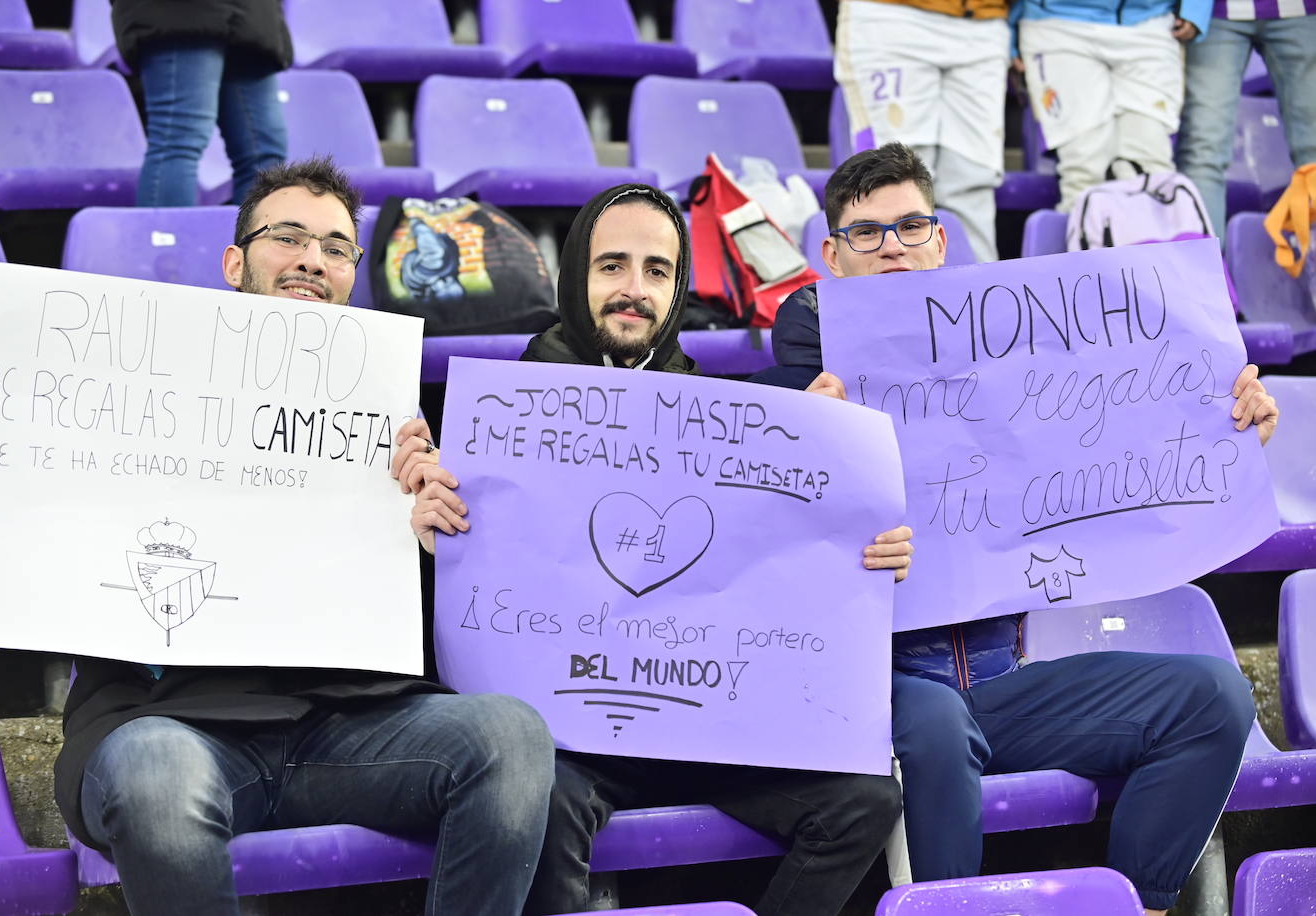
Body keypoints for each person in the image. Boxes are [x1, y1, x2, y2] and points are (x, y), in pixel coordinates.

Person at [764, 142, 1276, 915]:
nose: (893, 246)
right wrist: (812, 432)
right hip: (883, 694)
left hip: (1009, 688)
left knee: (1214, 695)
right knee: (936, 724)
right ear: (832, 258)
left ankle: (1137, 904)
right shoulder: (795, 380)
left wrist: (1222, 420)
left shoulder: (1014, 343)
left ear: (941, 241)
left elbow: (1125, 431)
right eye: (867, 234)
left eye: (911, 226)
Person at [42, 157, 555, 916]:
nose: (314, 259)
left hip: (351, 729)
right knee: (155, 771)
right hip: (177, 724)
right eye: (288, 237)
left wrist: (424, 540)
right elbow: (22, 524)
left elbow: (439, 630)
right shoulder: (130, 391)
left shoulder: (396, 420)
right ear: (234, 261)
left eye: (337, 247)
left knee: (510, 737)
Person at [396, 183, 908, 916]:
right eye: (612, 267)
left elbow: (782, 562)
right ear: (576, 276)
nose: (634, 291)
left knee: (863, 802)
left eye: (658, 271)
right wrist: (427, 528)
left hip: (706, 725)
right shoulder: (502, 417)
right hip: (575, 739)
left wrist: (865, 541)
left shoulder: (724, 416)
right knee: (534, 791)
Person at [832, 0, 1010, 263]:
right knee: (890, 181)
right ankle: (890, 299)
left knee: (973, 182)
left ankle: (979, 296)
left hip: (985, 20)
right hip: (891, 15)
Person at [1013, 0, 1212, 213]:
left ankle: (1145, 244)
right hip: (1057, 25)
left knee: (1151, 171)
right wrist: (1009, 34)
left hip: (1151, 23)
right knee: (1084, 171)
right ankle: (1088, 243)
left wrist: (1195, 9)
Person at [113, 0, 290, 206]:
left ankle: (254, 238)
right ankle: (169, 236)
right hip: (179, 13)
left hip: (253, 15)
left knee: (265, 153)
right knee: (180, 139)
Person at [1176, 1, 1316, 235]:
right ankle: (1202, 268)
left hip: (1302, 12)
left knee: (1313, 153)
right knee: (1202, 151)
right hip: (1212, 15)